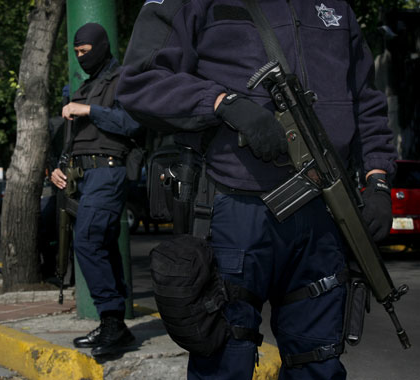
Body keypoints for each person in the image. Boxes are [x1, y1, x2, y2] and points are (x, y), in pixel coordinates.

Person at [117, 1, 397, 379]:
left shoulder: (337, 7)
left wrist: (378, 179)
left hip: (326, 212)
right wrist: (222, 104)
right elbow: (140, 81)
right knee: (225, 360)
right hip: (235, 206)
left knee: (321, 364)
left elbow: (365, 98)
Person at [50, 23, 142, 357]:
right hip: (84, 174)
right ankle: (113, 322)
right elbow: (72, 138)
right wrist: (59, 167)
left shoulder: (123, 79)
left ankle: (113, 324)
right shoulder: (85, 86)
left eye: (85, 51)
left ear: (101, 47)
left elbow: (132, 124)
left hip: (109, 171)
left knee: (87, 240)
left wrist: (89, 109)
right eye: (76, 53)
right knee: (101, 243)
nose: (80, 58)